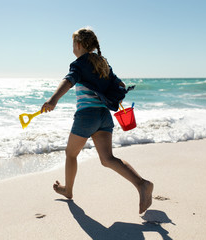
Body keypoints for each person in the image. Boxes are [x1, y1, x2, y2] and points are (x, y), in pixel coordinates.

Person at [41, 28, 154, 214]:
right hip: (104, 116)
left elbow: (68, 81)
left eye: (73, 44)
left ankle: (68, 190)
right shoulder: (102, 63)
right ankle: (142, 184)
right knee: (108, 159)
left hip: (87, 116)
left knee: (70, 154)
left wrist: (53, 99)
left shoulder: (78, 63)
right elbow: (120, 86)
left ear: (78, 45)